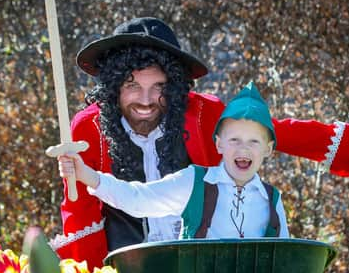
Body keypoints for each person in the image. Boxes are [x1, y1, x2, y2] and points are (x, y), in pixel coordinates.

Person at [49, 17, 349, 268]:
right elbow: (79, 211)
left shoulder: (201, 114)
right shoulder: (89, 127)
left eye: (158, 87)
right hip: (124, 260)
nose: (145, 99)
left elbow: (274, 131)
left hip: (193, 259)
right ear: (113, 87)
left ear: (174, 86)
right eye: (132, 86)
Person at [58, 82, 289, 241]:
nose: (243, 148)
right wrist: (87, 175)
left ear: (268, 150)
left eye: (254, 142)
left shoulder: (272, 200)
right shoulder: (194, 182)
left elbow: (285, 257)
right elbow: (138, 199)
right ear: (218, 144)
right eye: (235, 140)